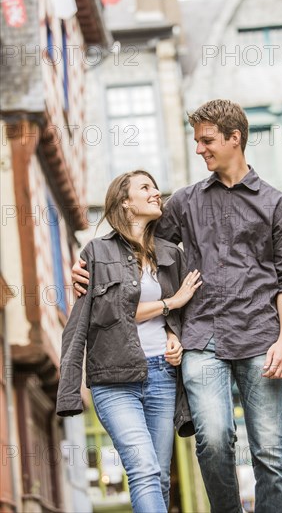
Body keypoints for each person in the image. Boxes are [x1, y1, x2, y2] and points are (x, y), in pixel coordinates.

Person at [72, 100, 282, 513]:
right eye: (197, 141)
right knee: (213, 440)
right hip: (201, 337)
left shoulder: (277, 206)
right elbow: (133, 243)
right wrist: (85, 265)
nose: (200, 149)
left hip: (260, 338)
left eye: (207, 140)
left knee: (270, 451)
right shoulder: (185, 202)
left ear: (236, 139)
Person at [57, 170, 201, 513]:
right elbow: (110, 313)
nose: (156, 194)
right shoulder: (97, 252)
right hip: (114, 380)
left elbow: (179, 317)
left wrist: (172, 334)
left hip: (162, 376)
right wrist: (171, 302)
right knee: (144, 470)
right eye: (145, 188)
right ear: (125, 202)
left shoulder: (170, 254)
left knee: (161, 477)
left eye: (155, 187)